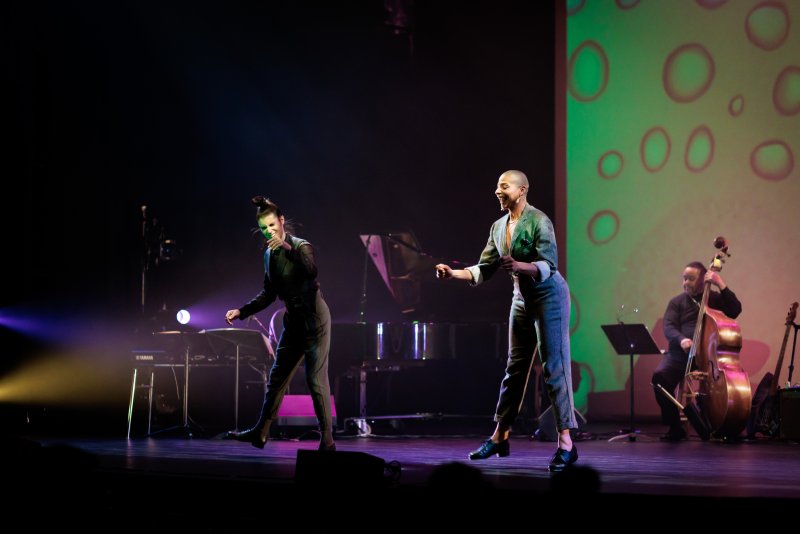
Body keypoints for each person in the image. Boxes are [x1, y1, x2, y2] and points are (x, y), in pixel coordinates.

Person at [435, 170, 578, 472]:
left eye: (504, 186)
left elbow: (549, 265)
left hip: (549, 296)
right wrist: (453, 274)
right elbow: (484, 267)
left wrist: (520, 266)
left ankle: (566, 442)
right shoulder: (499, 227)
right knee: (515, 368)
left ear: (522, 189)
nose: (497, 191)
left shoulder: (539, 220)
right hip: (521, 298)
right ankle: (500, 436)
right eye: (497, 187)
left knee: (554, 366)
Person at [224, 196, 335, 451]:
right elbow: (269, 294)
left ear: (282, 221)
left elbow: (311, 270)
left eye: (272, 225)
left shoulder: (300, 245)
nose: (269, 232)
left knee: (315, 379)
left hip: (315, 319)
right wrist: (241, 311)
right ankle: (260, 432)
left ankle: (327, 440)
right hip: (293, 321)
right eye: (264, 228)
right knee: (277, 378)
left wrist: (286, 246)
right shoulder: (268, 256)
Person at [653, 261, 742, 441]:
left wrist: (720, 283)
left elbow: (735, 310)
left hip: (709, 357)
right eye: (684, 279)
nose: (685, 283)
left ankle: (718, 422)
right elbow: (669, 326)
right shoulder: (676, 302)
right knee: (659, 378)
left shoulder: (714, 299)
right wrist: (681, 339)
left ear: (703, 280)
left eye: (691, 279)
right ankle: (675, 427)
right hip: (682, 355)